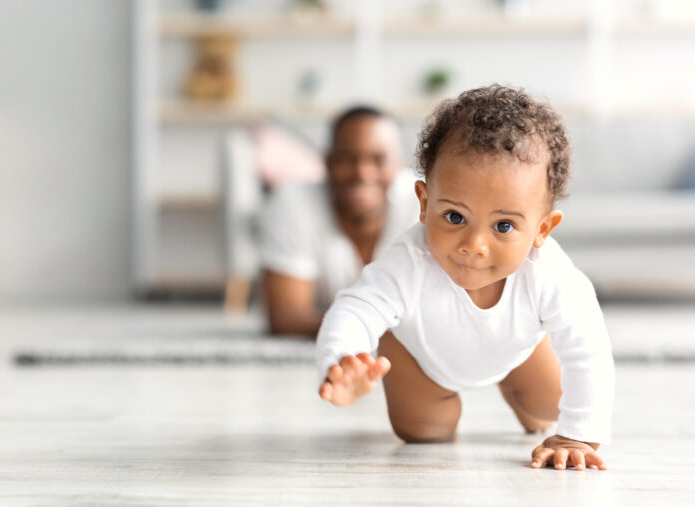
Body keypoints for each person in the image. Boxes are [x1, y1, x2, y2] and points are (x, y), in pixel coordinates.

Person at [316, 85, 615, 471]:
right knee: (424, 432)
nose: (474, 245)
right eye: (455, 217)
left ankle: (515, 388)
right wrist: (342, 359)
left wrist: (578, 434)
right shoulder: (409, 262)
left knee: (548, 406)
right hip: (422, 357)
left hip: (515, 352)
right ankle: (433, 396)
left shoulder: (549, 274)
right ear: (424, 204)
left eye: (503, 225)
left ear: (543, 228)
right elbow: (355, 309)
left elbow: (588, 349)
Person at [259, 106, 419, 336]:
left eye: (378, 159)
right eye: (347, 158)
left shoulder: (425, 202)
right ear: (327, 162)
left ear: (400, 164)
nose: (362, 173)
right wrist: (382, 328)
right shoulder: (291, 202)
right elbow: (287, 317)